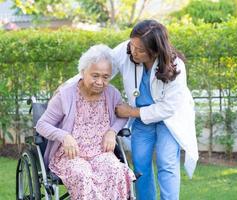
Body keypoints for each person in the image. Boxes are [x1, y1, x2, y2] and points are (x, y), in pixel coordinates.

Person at [67, 19, 198, 200]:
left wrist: (130, 112)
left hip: (169, 119)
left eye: (140, 50)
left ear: (155, 50)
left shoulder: (176, 66)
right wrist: (66, 87)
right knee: (140, 165)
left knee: (166, 163)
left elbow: (168, 108)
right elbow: (96, 68)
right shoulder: (126, 50)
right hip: (143, 121)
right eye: (133, 45)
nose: (134, 52)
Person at [36, 44, 135, 200]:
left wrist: (112, 131)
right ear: (82, 72)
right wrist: (64, 136)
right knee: (82, 174)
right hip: (71, 155)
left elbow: (123, 114)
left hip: (101, 153)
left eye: (105, 77)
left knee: (115, 170)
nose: (100, 82)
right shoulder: (65, 96)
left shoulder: (112, 94)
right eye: (95, 75)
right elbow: (42, 125)